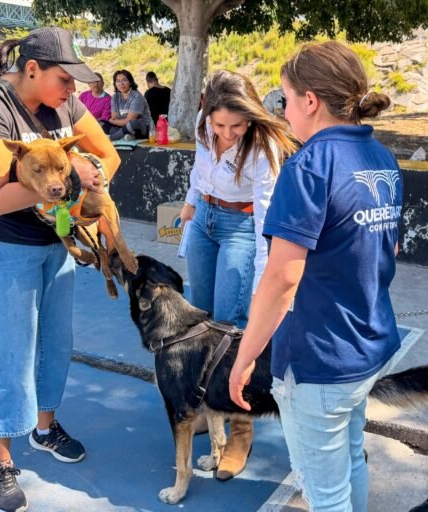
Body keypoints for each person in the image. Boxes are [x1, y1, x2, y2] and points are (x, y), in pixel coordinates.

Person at [0, 26, 121, 512]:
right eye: (67, 80)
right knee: (10, 350)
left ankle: (44, 429)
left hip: (52, 244)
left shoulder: (64, 107)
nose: (75, 92)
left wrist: (93, 180)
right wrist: (63, 185)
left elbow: (105, 155)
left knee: (55, 342)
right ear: (32, 70)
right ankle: (0, 462)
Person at [228, 41, 400, 512]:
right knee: (350, 461)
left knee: (325, 494)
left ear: (310, 101)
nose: (281, 110)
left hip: (320, 356)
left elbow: (283, 278)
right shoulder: (381, 158)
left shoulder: (308, 166)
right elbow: (387, 248)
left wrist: (245, 358)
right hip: (366, 343)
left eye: (284, 98)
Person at [179, 69, 296, 481]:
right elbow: (199, 169)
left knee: (231, 331)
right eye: (219, 125)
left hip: (242, 228)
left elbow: (266, 214)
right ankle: (208, 412)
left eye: (237, 125)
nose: (227, 134)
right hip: (205, 220)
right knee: (199, 323)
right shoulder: (202, 125)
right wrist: (191, 205)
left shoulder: (263, 147)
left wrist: (266, 279)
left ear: (251, 117)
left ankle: (240, 431)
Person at [104, 69, 152, 140]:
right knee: (101, 123)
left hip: (141, 128)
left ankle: (112, 137)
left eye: (124, 80)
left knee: (133, 123)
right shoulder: (115, 97)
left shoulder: (137, 97)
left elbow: (129, 120)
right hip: (123, 127)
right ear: (115, 84)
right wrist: (114, 121)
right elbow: (114, 117)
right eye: (118, 81)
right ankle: (124, 135)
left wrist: (113, 121)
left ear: (130, 82)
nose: (121, 83)